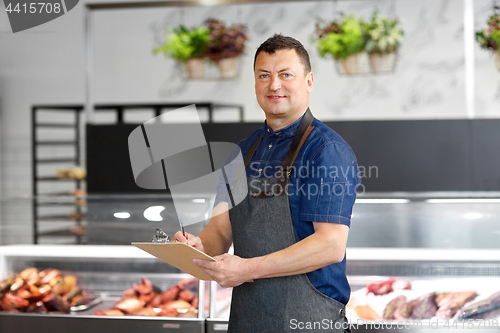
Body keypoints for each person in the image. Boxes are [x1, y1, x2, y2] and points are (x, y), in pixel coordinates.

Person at [175, 34, 360, 332]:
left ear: (309, 81)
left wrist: (247, 268)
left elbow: (330, 245)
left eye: (286, 75)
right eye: (264, 75)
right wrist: (198, 247)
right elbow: (220, 229)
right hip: (248, 321)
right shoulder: (241, 153)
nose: (274, 85)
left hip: (309, 321)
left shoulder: (326, 151)